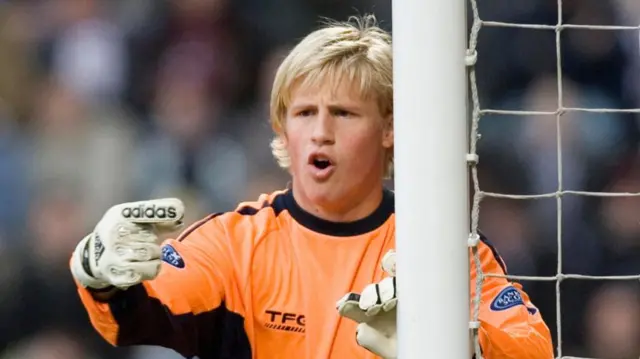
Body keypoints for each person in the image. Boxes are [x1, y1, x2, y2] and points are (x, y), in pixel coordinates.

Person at [69, 15, 553, 359]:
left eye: (343, 113)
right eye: (304, 113)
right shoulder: (234, 244)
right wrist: (101, 277)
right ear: (283, 130)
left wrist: (451, 338)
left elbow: (533, 347)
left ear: (389, 129)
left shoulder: (444, 251)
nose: (320, 131)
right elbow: (142, 311)